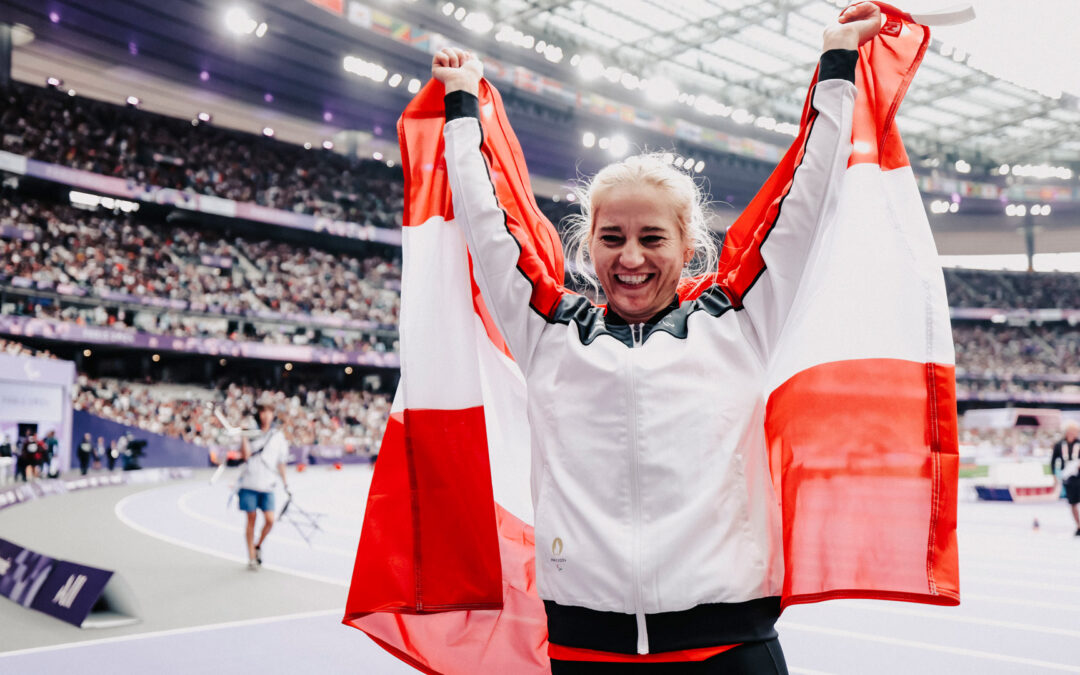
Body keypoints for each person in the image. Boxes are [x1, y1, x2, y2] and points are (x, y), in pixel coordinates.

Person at [429, 3, 883, 671]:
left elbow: (805, 200)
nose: (631, 257)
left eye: (652, 238)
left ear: (688, 244)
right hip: (588, 649)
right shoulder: (549, 334)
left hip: (730, 646)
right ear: (589, 244)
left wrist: (837, 63)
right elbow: (490, 228)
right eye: (612, 238)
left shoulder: (739, 323)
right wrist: (463, 107)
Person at [235, 401, 290, 570]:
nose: (265, 415)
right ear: (259, 415)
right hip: (250, 483)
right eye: (262, 412)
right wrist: (244, 435)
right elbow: (246, 456)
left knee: (270, 520)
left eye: (268, 412)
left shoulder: (278, 437)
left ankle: (258, 545)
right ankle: (251, 556)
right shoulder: (252, 433)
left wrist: (285, 482)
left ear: (273, 414)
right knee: (251, 520)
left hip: (268, 485)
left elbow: (281, 462)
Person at [1050, 421, 1080, 535]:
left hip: (1079, 475)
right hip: (1068, 478)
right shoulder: (1059, 445)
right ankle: (1078, 525)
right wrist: (1054, 476)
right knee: (1073, 502)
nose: (1075, 433)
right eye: (1073, 431)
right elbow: (1053, 462)